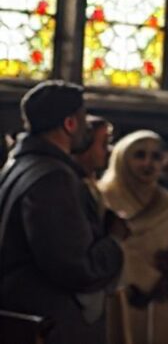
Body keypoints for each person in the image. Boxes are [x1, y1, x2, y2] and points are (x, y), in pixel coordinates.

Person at [0, 81, 124, 344]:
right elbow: (76, 268)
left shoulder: (19, 166)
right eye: (83, 117)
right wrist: (114, 240)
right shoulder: (53, 178)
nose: (86, 127)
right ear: (70, 124)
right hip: (54, 322)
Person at [99, 130, 168, 344]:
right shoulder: (103, 197)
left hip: (162, 296)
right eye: (139, 155)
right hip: (122, 298)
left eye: (156, 157)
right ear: (122, 158)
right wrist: (136, 281)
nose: (148, 163)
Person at [72, 115, 113, 219]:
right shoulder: (74, 187)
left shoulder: (92, 184)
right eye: (104, 144)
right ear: (85, 146)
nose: (109, 151)